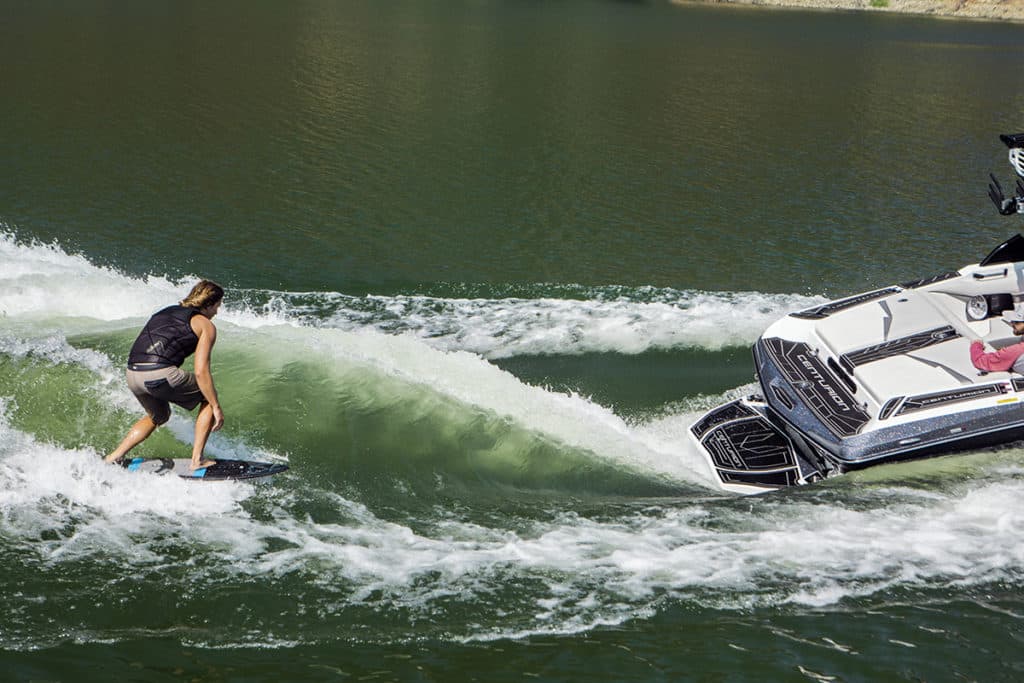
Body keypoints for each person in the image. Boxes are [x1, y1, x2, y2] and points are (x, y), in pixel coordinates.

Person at [105, 280, 225, 469]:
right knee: (208, 397)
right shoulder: (205, 325)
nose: (217, 311)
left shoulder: (165, 311)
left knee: (159, 416)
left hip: (133, 373)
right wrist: (216, 406)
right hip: (158, 374)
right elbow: (201, 371)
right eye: (218, 306)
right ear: (209, 304)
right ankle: (197, 460)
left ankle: (114, 457)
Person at [970, 306, 1024, 374]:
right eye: (1012, 321)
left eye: (1016, 322)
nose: (1012, 324)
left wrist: (976, 344)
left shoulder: (1016, 350)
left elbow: (979, 362)